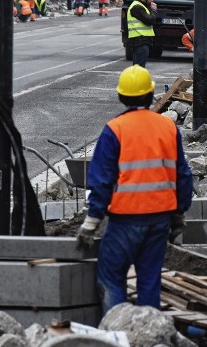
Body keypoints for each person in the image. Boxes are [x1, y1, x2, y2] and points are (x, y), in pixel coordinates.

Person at [75, 65, 193, 314]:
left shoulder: (115, 130)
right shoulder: (167, 127)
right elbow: (182, 174)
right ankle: (147, 333)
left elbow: (101, 181)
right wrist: (179, 213)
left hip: (125, 220)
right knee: (149, 281)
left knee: (111, 278)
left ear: (121, 97)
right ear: (151, 96)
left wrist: (91, 222)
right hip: (160, 218)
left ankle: (119, 335)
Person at [126, 0, 158, 67]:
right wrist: (154, 10)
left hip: (142, 41)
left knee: (139, 67)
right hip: (140, 41)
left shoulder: (142, 6)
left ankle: (137, 80)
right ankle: (136, 80)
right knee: (139, 68)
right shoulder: (137, 7)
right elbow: (149, 20)